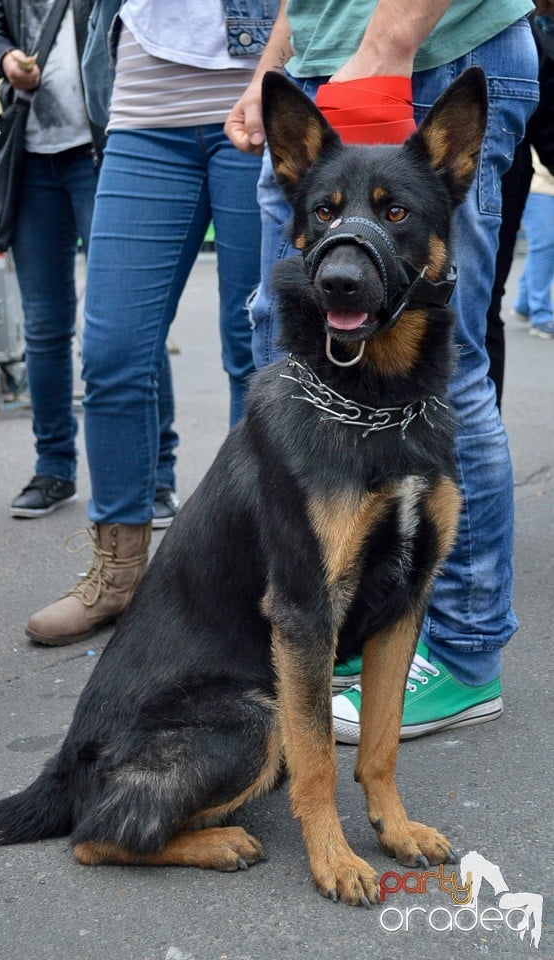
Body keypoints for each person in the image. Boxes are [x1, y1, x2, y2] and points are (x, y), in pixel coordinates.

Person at [226, 0, 540, 740]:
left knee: (440, 359)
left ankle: (464, 654)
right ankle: (328, 614)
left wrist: (390, 38)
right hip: (330, 63)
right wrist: (273, 66)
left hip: (425, 50)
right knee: (298, 348)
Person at [24, 0, 279, 646]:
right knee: (111, 350)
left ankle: (251, 576)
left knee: (255, 354)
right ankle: (118, 573)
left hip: (258, 83)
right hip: (143, 95)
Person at [0, 0, 103, 519]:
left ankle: (156, 476)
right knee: (45, 328)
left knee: (124, 324)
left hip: (101, 150)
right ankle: (54, 469)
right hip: (29, 159)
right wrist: (5, 59)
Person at [487, 11, 554, 406]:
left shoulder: (524, 26)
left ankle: (474, 449)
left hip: (501, 174)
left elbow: (547, 127)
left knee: (478, 316)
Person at [512, 149, 554, 338]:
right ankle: (541, 315)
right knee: (545, 245)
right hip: (541, 185)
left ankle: (524, 304)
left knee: (544, 248)